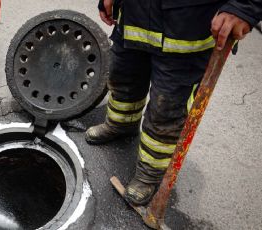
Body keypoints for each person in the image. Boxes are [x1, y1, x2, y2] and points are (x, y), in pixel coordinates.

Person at [87, 0, 261, 205]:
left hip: (188, 25)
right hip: (134, 15)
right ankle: (122, 125)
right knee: (122, 77)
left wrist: (244, 7)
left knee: (166, 108)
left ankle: (150, 172)